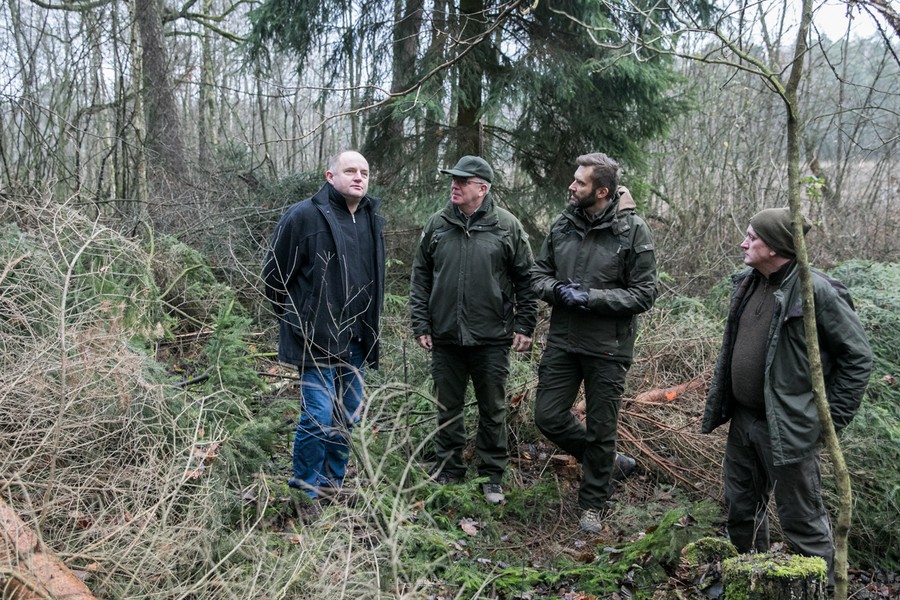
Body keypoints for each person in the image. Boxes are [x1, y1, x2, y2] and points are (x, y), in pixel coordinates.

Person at [702, 207, 872, 588]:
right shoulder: (749, 282)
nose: (743, 243)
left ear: (775, 247)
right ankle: (748, 586)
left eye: (752, 237)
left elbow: (858, 358)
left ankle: (823, 591)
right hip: (744, 421)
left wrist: (826, 422)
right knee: (742, 512)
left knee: (802, 522)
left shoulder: (815, 291)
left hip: (791, 428)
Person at [531, 152, 657, 532]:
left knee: (602, 430)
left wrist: (592, 298)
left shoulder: (632, 231)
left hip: (608, 348)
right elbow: (538, 274)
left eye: (580, 182)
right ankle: (608, 463)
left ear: (601, 191)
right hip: (564, 342)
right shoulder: (563, 224)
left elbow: (644, 294)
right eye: (574, 179)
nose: (571, 186)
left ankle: (592, 505)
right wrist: (556, 290)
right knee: (548, 416)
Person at [409, 155, 537, 505]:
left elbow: (526, 280)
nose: (455, 185)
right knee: (446, 406)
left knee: (492, 408)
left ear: (482, 189)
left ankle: (491, 475)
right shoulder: (437, 224)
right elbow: (420, 276)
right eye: (453, 179)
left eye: (463, 181)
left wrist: (525, 324)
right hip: (445, 335)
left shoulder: (507, 226)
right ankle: (449, 470)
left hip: (491, 336)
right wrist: (421, 322)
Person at [263, 150, 385, 505]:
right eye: (350, 171)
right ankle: (306, 492)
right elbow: (274, 277)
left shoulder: (371, 219)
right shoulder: (304, 216)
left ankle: (333, 485)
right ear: (330, 176)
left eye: (364, 172)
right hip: (314, 339)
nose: (359, 177)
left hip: (357, 338)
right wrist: (300, 318)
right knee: (317, 416)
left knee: (346, 416)